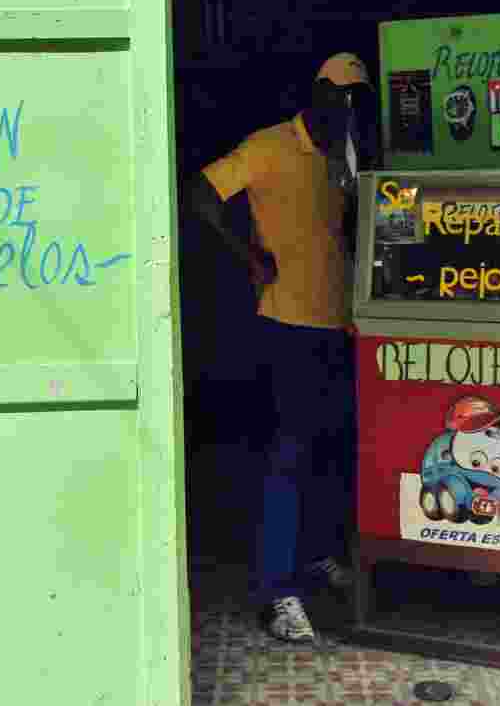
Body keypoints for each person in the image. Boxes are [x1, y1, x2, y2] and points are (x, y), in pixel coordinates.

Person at [185, 52, 376, 643]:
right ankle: (277, 592)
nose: (348, 108)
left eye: (357, 100)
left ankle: (316, 555)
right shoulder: (268, 146)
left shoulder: (344, 156)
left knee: (330, 448)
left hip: (340, 325)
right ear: (317, 92)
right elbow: (200, 193)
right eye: (340, 96)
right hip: (287, 323)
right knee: (288, 455)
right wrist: (248, 255)